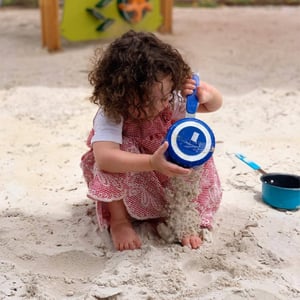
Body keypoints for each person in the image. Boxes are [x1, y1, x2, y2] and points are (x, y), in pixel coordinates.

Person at [81, 30, 222, 251]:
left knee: (193, 152)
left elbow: (212, 106)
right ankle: (120, 221)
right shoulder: (111, 113)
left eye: (166, 96)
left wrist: (207, 94)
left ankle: (182, 217)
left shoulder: (168, 100)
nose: (163, 105)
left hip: (165, 174)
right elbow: (105, 157)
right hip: (137, 171)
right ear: (123, 96)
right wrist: (151, 163)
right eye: (151, 101)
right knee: (116, 156)